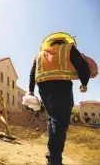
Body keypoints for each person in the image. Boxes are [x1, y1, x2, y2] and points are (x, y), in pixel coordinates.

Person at [29, 32, 90, 165]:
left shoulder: (40, 54)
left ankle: (52, 153)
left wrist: (31, 91)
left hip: (43, 89)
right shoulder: (68, 48)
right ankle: (55, 159)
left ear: (51, 43)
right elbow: (82, 65)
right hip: (61, 86)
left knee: (52, 119)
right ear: (63, 42)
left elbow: (32, 72)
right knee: (60, 122)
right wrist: (84, 83)